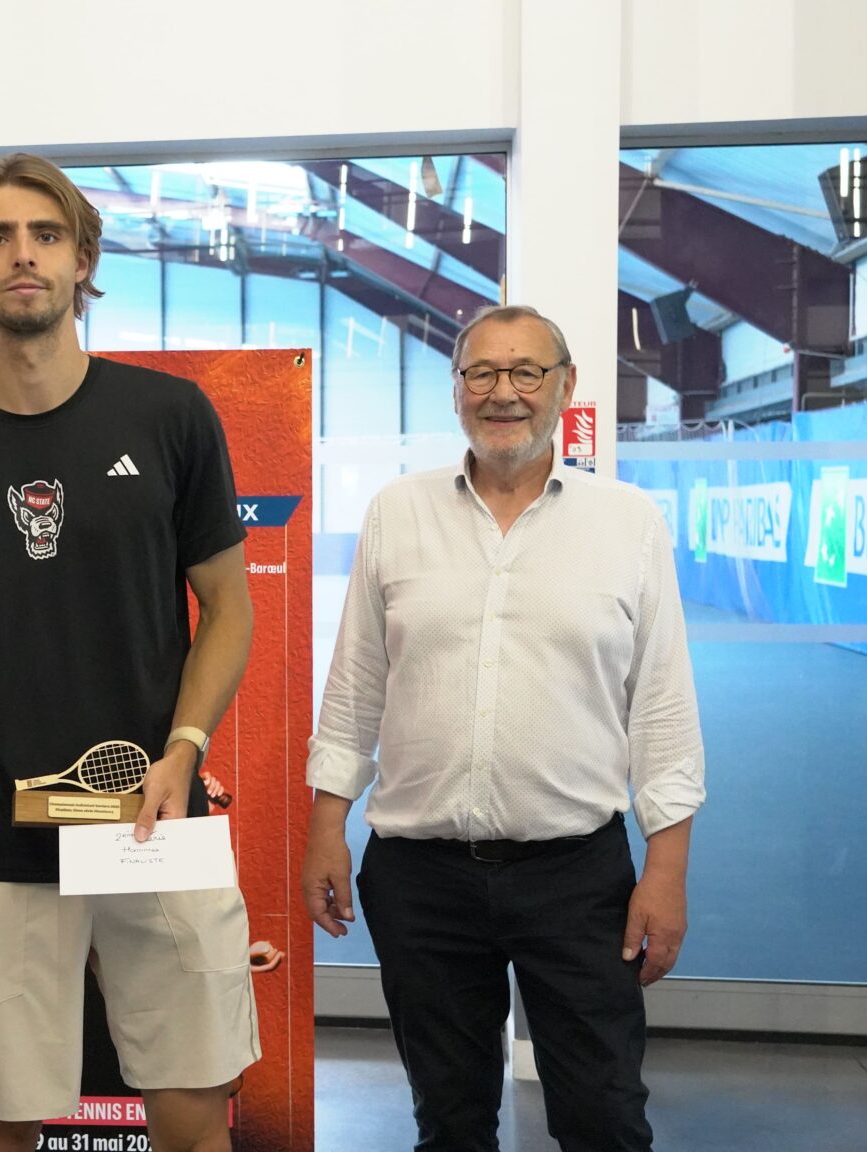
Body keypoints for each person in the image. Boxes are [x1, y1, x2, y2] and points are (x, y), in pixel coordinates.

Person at [0, 153, 260, 1152]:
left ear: (81, 258)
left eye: (45, 235)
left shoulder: (170, 417)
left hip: (154, 819)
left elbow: (227, 606)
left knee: (193, 1113)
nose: (22, 255)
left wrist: (183, 750)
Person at [300, 304, 706, 1152]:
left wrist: (665, 871)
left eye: (526, 371)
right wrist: (324, 829)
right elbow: (356, 684)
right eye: (481, 372)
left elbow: (663, 705)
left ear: (565, 386)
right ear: (456, 390)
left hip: (577, 879)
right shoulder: (397, 513)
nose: (503, 392)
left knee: (603, 1119)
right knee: (449, 1125)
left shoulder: (627, 523)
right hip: (421, 879)